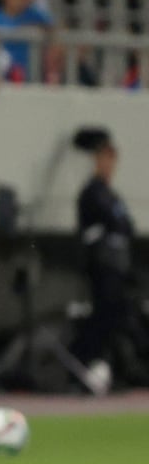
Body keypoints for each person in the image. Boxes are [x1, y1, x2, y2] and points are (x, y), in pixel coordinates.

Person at [73, 134, 141, 393]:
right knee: (103, 317)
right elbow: (108, 225)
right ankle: (85, 362)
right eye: (104, 160)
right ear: (97, 161)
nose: (108, 166)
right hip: (102, 266)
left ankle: (110, 367)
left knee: (116, 317)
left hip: (117, 265)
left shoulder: (111, 194)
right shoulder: (92, 192)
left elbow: (126, 225)